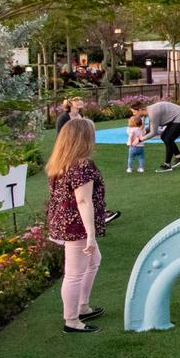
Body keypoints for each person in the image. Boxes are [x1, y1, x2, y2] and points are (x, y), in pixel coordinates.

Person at [44, 117, 107, 333]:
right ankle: (72, 320)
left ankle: (83, 305)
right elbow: (83, 200)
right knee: (74, 273)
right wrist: (90, 233)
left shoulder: (60, 162)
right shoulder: (82, 165)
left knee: (93, 261)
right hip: (76, 226)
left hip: (64, 222)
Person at [141, 96, 180, 171]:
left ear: (140, 109)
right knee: (164, 137)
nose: (134, 114)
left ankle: (167, 164)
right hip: (178, 117)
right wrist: (143, 123)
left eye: (134, 112)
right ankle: (179, 157)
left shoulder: (152, 113)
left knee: (168, 139)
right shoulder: (149, 110)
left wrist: (140, 139)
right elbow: (148, 123)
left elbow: (153, 133)